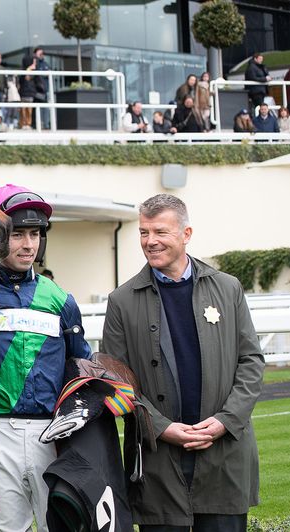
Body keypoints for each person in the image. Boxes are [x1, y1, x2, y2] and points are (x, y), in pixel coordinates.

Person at [102, 194, 262, 530]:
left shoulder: (228, 288)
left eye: (160, 232)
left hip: (224, 459)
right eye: (144, 233)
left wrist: (226, 420)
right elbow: (114, 380)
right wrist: (161, 427)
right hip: (157, 464)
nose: (150, 241)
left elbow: (251, 361)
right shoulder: (121, 301)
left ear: (186, 234)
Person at [0, 184, 92, 532]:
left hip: (51, 434)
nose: (28, 245)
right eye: (18, 234)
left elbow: (81, 367)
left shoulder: (60, 299)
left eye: (35, 234)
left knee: (61, 525)